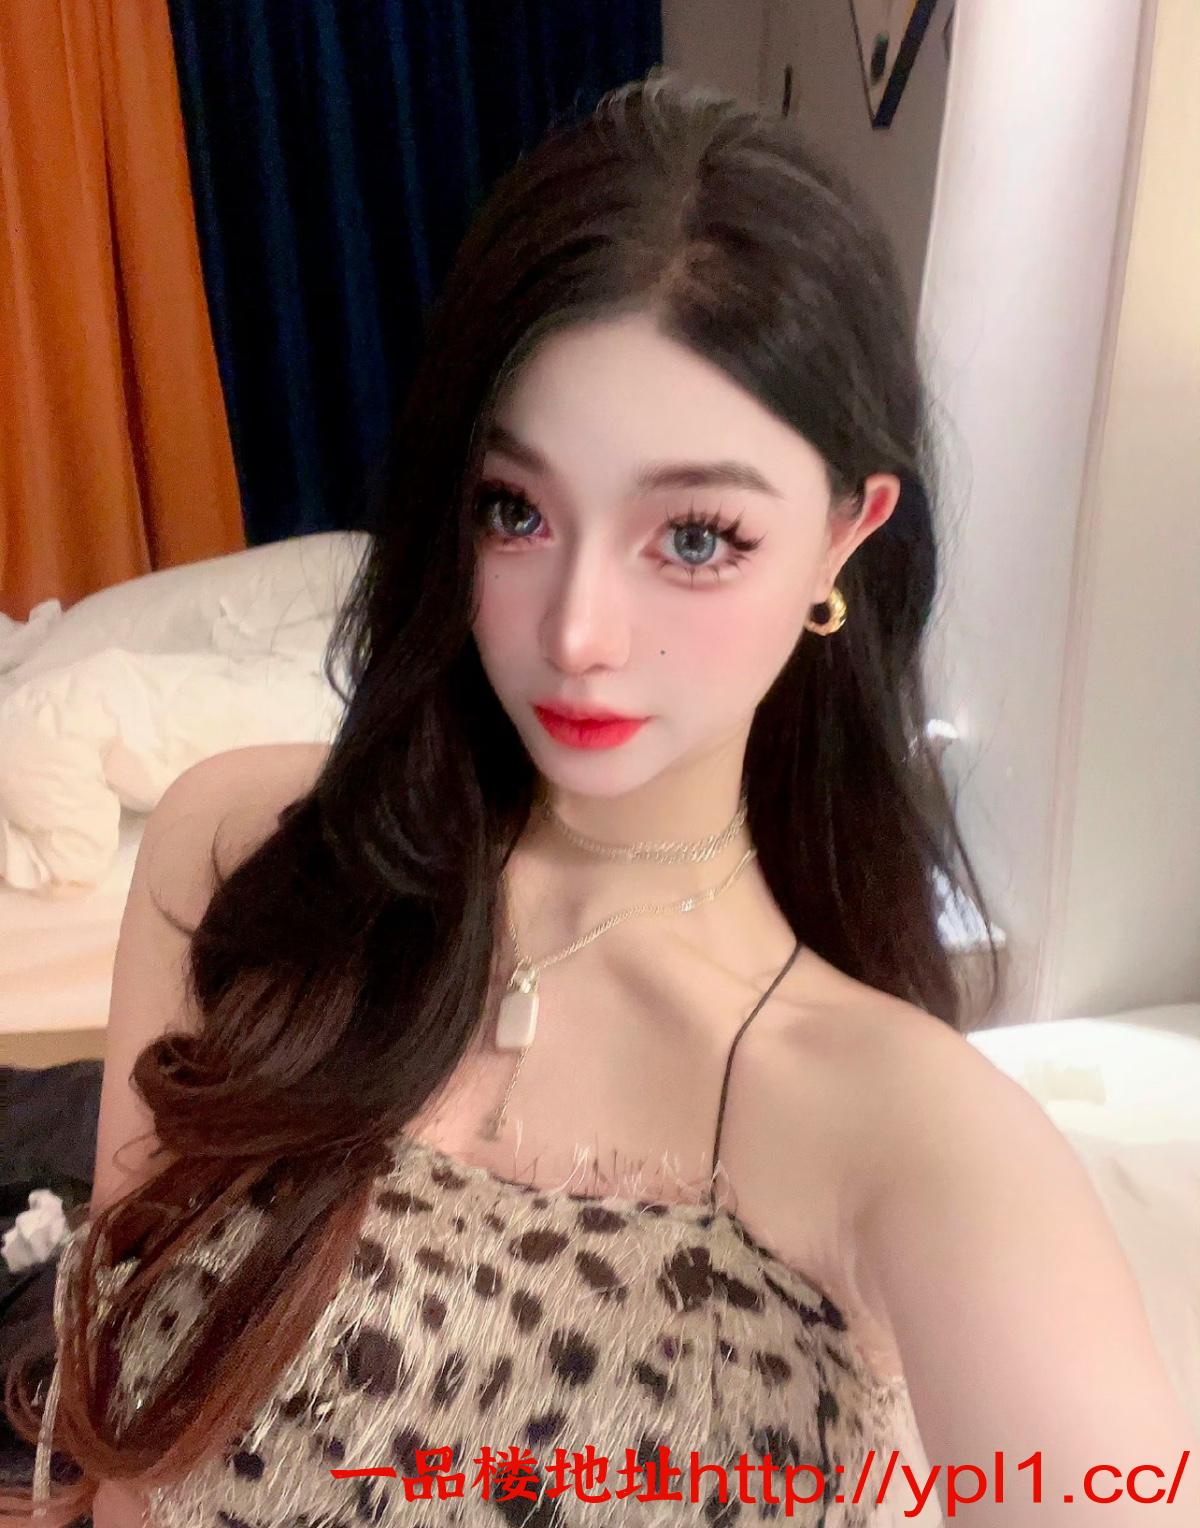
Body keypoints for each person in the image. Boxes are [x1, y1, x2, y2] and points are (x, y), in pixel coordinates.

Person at [7, 68, 1197, 1528]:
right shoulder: (245, 857)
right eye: (518, 510)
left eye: (694, 537)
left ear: (845, 537)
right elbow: (120, 1449)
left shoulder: (908, 1129)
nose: (576, 632)